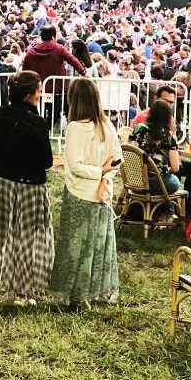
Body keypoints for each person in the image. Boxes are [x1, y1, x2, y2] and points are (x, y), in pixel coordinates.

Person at [0, 70, 54, 305]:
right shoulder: (38, 123)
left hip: (2, 181)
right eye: (39, 91)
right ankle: (21, 292)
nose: (41, 95)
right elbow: (47, 161)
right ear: (30, 95)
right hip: (31, 185)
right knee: (26, 238)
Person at [50, 77, 121, 309]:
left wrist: (102, 174)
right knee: (97, 244)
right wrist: (105, 177)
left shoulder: (76, 128)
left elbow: (76, 165)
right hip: (100, 191)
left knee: (77, 245)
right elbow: (116, 161)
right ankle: (93, 292)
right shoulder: (107, 125)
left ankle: (79, 295)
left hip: (81, 191)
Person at [130, 98, 182, 202]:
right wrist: (166, 170)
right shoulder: (167, 137)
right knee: (175, 181)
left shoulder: (139, 128)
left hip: (134, 180)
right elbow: (175, 168)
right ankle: (167, 208)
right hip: (155, 183)